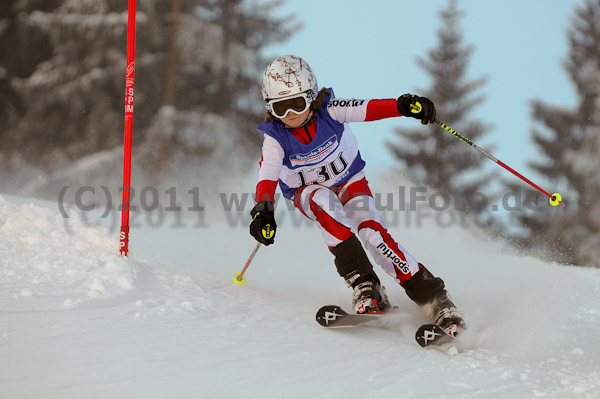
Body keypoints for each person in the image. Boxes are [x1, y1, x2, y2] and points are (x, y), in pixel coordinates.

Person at [249, 55, 465, 336]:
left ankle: (435, 298)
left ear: (311, 97)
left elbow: (368, 109)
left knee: (373, 235)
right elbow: (267, 173)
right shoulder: (276, 137)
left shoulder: (330, 111)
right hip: (307, 192)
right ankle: (364, 283)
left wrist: (403, 106)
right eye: (280, 108)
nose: (290, 115)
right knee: (323, 203)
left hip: (350, 181)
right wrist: (263, 210)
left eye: (297, 104)